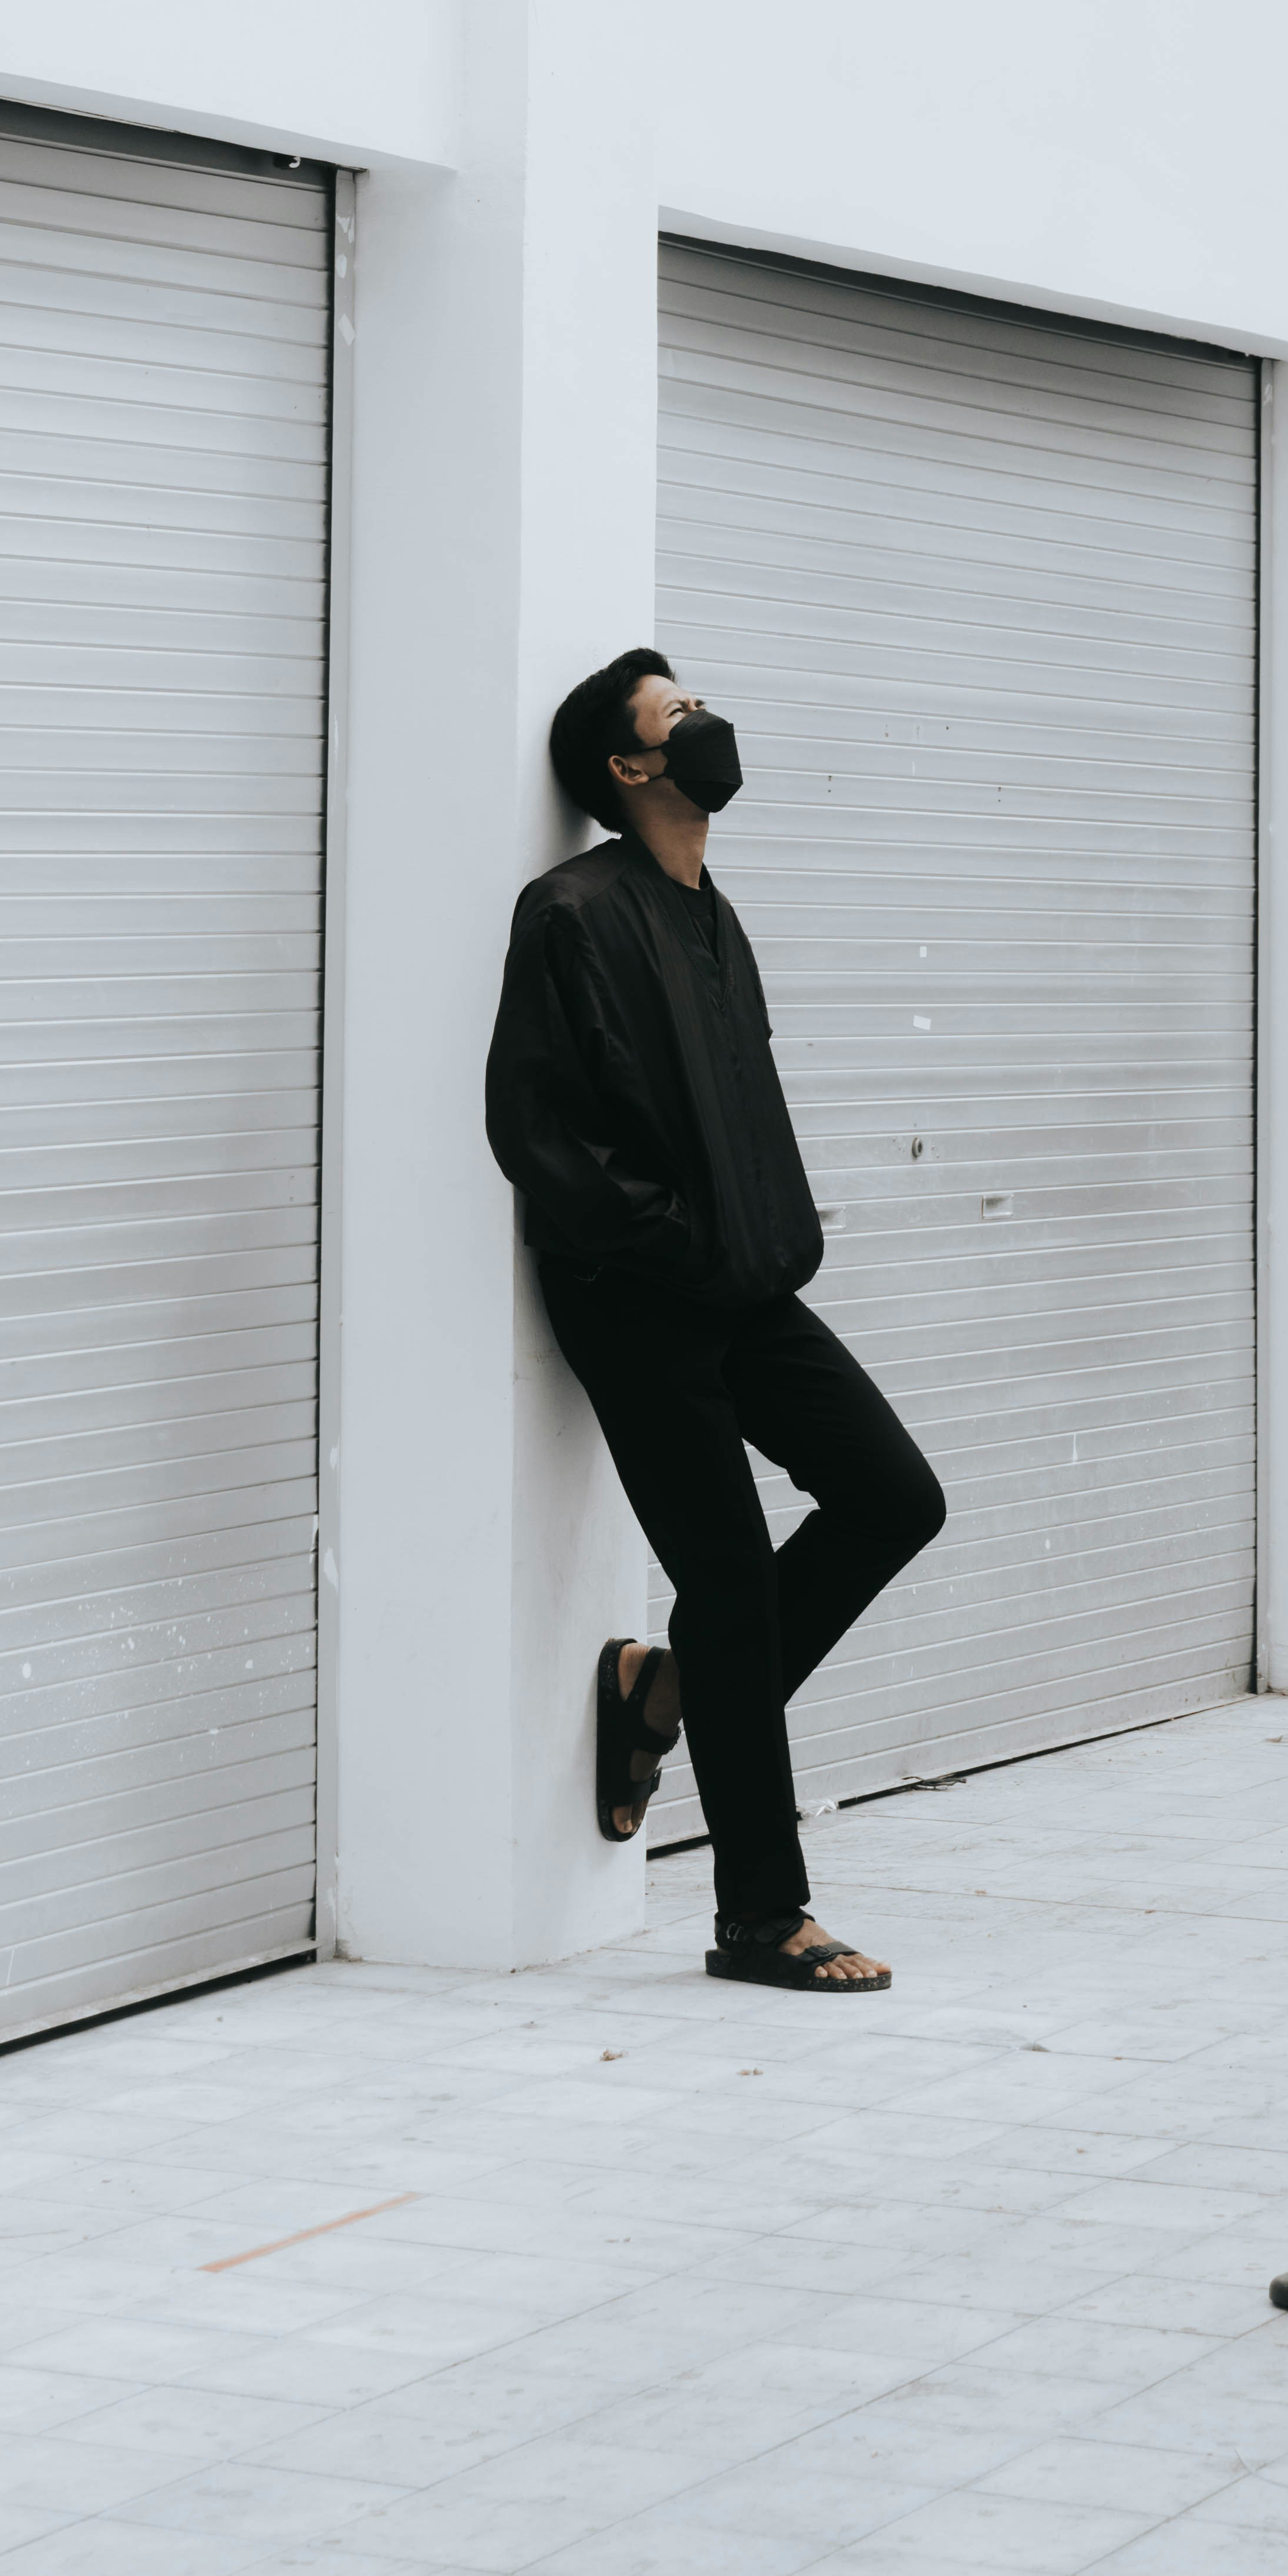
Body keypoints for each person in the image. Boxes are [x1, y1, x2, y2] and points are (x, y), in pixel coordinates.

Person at [484, 649, 947, 1992]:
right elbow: (537, 1130)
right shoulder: (568, 911)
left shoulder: (710, 912)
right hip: (636, 1299)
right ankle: (758, 1918)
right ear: (631, 769)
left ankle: (670, 1691)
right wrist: (668, 1242)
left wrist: (749, 1244)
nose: (704, 724)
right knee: (732, 1584)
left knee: (892, 1497)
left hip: (748, 1280)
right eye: (675, 715)